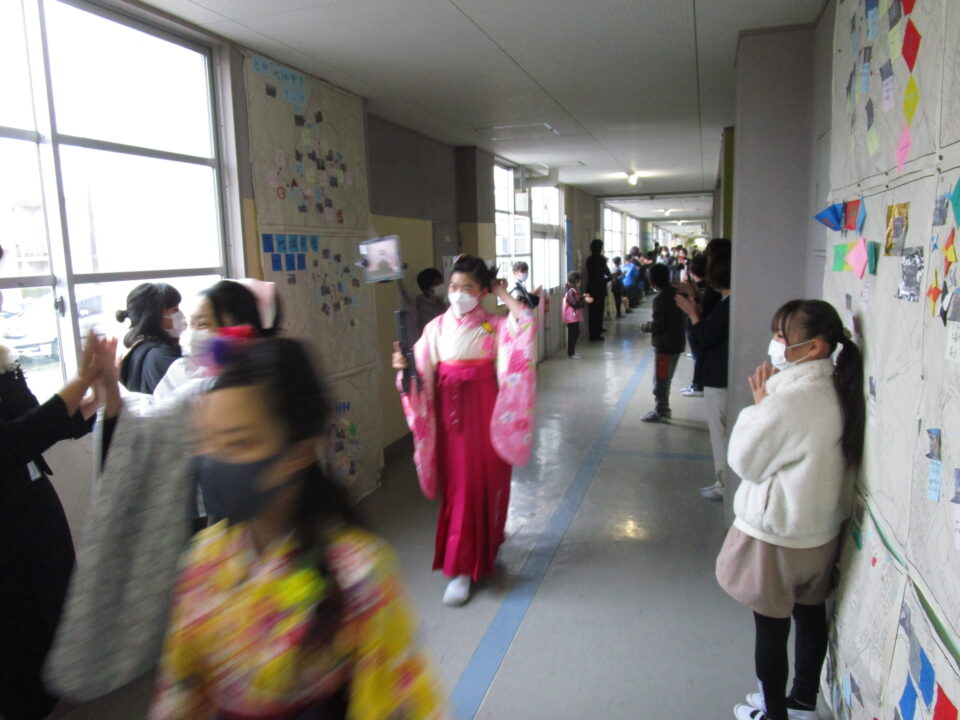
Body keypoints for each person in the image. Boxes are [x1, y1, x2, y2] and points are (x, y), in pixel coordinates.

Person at [150, 338, 444, 719]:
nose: (214, 462)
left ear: (300, 451)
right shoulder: (203, 560)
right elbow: (180, 691)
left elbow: (397, 704)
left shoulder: (357, 572)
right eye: (206, 441)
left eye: (238, 443)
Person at [45, 279, 282, 703]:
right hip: (205, 522)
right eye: (191, 322)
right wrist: (109, 393)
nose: (192, 332)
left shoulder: (262, 374)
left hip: (256, 528)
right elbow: (155, 422)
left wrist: (110, 394)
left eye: (205, 323)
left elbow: (157, 421)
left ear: (237, 326)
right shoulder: (186, 372)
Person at [717, 300, 864, 720]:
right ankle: (802, 703)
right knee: (810, 616)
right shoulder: (839, 389)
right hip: (820, 535)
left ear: (815, 347)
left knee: (771, 629)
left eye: (782, 336)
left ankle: (774, 712)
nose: (775, 344)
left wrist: (760, 405)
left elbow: (745, 461)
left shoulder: (790, 402)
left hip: (777, 538)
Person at [392, 255, 537, 606]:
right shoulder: (436, 327)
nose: (457, 294)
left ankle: (483, 550)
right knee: (460, 487)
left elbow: (525, 324)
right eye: (454, 286)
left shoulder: (495, 324)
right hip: (450, 416)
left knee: (484, 482)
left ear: (482, 292)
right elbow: (418, 370)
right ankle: (461, 567)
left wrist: (504, 295)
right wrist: (404, 368)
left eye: (467, 288)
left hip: (487, 411)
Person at [0, 327, 113, 720]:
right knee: (20, 631)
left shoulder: (3, 360)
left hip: (36, 510)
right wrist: (82, 378)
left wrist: (95, 398)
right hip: (7, 530)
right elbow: (11, 442)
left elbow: (36, 424)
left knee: (56, 607)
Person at [676, 238, 731, 501]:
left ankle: (724, 484)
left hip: (719, 378)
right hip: (718, 376)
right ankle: (723, 480)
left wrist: (693, 314)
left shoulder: (728, 305)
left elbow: (703, 339)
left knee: (720, 434)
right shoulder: (725, 303)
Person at [117, 283, 185, 395]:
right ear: (154, 316)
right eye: (175, 309)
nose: (180, 314)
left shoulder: (138, 350)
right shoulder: (162, 357)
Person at [639, 263, 685, 423]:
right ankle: (663, 408)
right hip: (677, 342)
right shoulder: (676, 293)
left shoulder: (660, 299)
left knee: (660, 380)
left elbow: (659, 325)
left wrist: (645, 327)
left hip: (665, 345)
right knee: (666, 378)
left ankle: (662, 411)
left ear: (652, 282)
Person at [585, 239, 611, 341]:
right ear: (600, 248)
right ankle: (597, 333)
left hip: (591, 288)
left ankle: (593, 333)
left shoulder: (589, 260)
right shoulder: (602, 260)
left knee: (592, 312)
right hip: (600, 288)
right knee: (599, 311)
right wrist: (608, 278)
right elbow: (607, 273)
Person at [562, 272, 592, 358]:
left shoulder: (572, 290)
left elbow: (576, 299)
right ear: (575, 280)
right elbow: (574, 303)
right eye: (579, 280)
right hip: (571, 316)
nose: (580, 282)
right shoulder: (570, 291)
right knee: (573, 335)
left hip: (573, 316)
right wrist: (585, 301)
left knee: (575, 334)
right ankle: (571, 353)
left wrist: (583, 297)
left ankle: (572, 352)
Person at [415, 268, 446, 335]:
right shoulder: (424, 309)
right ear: (428, 289)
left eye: (441, 282)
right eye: (437, 284)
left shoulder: (440, 303)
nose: (442, 285)